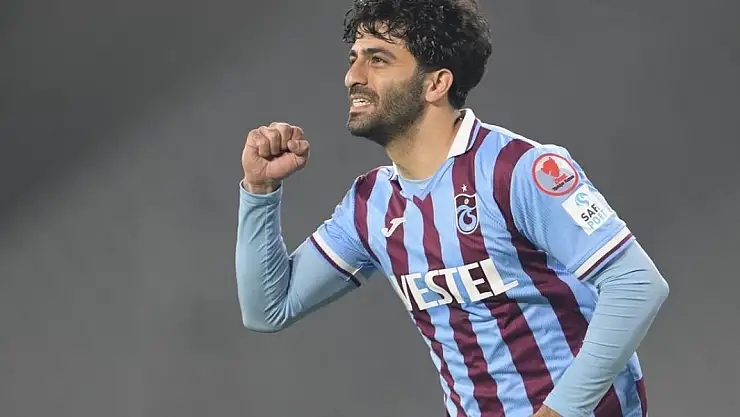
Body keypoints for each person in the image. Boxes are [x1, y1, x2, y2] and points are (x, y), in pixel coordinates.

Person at [235, 1, 669, 416]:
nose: (352, 76)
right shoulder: (370, 204)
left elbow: (636, 284)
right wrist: (259, 189)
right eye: (354, 59)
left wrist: (561, 411)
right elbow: (268, 309)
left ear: (436, 84)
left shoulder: (518, 170)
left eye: (378, 59)